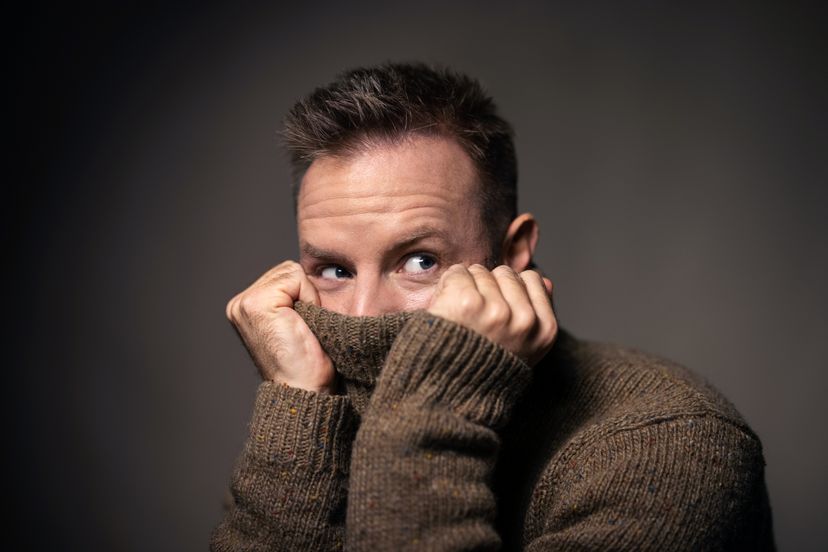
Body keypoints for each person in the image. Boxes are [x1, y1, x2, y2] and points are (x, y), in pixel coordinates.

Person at [211, 63, 774, 551]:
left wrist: (431, 411)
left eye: (419, 261)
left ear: (513, 252)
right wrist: (295, 411)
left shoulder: (670, 445)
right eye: (334, 271)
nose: (360, 316)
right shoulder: (321, 404)